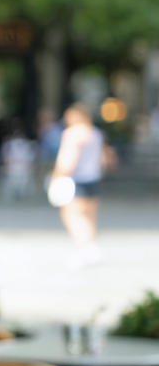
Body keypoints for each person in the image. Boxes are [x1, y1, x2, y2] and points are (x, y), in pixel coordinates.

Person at [52, 103, 111, 268]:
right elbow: (104, 158)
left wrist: (57, 176)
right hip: (94, 177)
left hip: (76, 179)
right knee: (90, 215)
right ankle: (91, 246)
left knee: (71, 214)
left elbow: (67, 160)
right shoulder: (96, 133)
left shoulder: (72, 134)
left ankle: (85, 247)